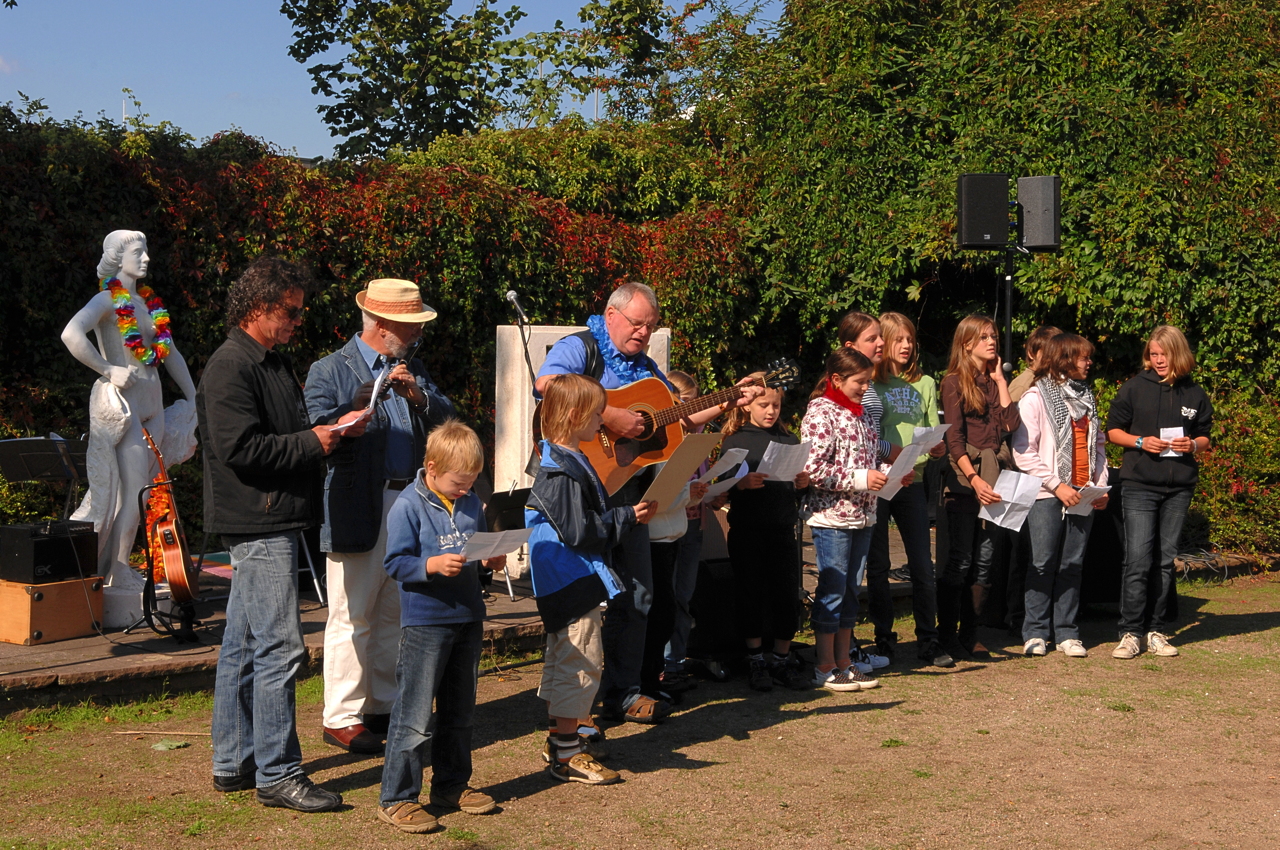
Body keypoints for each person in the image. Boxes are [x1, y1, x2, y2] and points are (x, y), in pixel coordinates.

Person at [533, 282, 758, 723]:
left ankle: (625, 692)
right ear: (611, 315)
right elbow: (546, 384)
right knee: (579, 599)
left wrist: (728, 399)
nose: (643, 333)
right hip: (578, 486)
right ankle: (569, 708)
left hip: (631, 490)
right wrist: (608, 413)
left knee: (639, 595)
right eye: (637, 323)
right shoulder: (581, 347)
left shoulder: (647, 367)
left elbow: (674, 418)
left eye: (650, 326)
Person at [198, 257, 368, 812]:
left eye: (299, 310)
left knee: (243, 648)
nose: (299, 319)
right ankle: (278, 772)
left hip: (270, 516)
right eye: (290, 311)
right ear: (258, 308)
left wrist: (338, 427)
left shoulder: (270, 361)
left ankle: (234, 763)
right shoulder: (230, 366)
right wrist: (313, 444)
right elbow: (238, 449)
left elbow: (284, 433)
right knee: (279, 648)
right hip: (258, 520)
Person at [305, 278, 456, 755]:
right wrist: (358, 405)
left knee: (395, 608)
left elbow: (449, 420)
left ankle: (384, 704)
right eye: (410, 326)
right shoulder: (329, 369)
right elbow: (316, 429)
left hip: (408, 502)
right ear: (384, 324)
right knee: (352, 613)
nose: (416, 334)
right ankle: (342, 716)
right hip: (356, 503)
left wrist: (419, 397)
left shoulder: (412, 369)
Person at [526, 374, 657, 783]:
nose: (603, 419)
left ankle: (563, 743)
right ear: (572, 415)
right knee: (578, 664)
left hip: (570, 577)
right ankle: (568, 756)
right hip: (569, 579)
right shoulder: (560, 471)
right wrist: (627, 516)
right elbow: (578, 531)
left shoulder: (567, 456)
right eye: (596, 412)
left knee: (569, 661)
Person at [377, 420, 505, 834]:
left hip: (468, 615)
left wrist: (490, 561)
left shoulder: (470, 502)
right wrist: (430, 565)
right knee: (414, 715)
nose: (465, 490)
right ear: (431, 468)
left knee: (460, 711)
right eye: (457, 482)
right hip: (426, 622)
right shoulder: (407, 506)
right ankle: (397, 798)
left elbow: (477, 547)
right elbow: (394, 563)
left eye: (470, 483)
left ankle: (451, 784)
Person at [62, 230, 199, 587]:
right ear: (117, 257)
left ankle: (114, 568)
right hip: (127, 410)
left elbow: (170, 354)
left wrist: (192, 394)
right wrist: (108, 370)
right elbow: (71, 334)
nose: (146, 258)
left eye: (147, 251)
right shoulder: (107, 301)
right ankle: (119, 569)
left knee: (140, 492)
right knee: (135, 491)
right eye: (139, 252)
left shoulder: (150, 305)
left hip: (154, 406)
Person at [1105, 325, 1212, 660]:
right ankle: (1130, 632)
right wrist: (1140, 441)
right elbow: (1111, 431)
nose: (1158, 360)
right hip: (1139, 485)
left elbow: (1207, 436)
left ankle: (1156, 630)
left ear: (1177, 353)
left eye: (1164, 354)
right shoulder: (1134, 388)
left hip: (1179, 488)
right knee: (1137, 560)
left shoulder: (1194, 392)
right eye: (1153, 354)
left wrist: (1193, 444)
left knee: (1165, 562)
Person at [1012, 333, 1110, 658]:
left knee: (1073, 563)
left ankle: (1067, 632)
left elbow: (1098, 447)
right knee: (1042, 562)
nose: (1089, 362)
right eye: (1084, 357)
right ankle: (1036, 632)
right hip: (1046, 494)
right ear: (1066, 359)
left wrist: (1101, 484)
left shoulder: (1087, 397)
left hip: (1083, 492)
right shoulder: (1035, 398)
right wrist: (1057, 484)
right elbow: (1023, 452)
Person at [867, 312, 952, 668]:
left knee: (921, 562)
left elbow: (933, 432)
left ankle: (928, 640)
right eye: (898, 339)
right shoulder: (871, 384)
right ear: (883, 342)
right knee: (878, 565)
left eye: (910, 339)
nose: (906, 346)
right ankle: (883, 639)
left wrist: (938, 447)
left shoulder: (926, 383)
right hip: (879, 481)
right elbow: (868, 434)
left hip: (912, 482)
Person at [938, 315, 1021, 660]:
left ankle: (971, 635)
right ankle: (946, 637)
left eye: (994, 337)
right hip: (965, 481)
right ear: (967, 343)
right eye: (984, 337)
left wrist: (1001, 380)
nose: (992, 342)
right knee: (960, 560)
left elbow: (1011, 423)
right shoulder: (953, 381)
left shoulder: (992, 381)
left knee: (985, 563)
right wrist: (973, 479)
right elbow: (953, 439)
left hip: (996, 476)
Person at [801, 348, 885, 692]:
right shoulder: (821, 412)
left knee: (851, 590)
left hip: (863, 515)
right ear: (836, 379)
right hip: (832, 517)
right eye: (859, 381)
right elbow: (812, 469)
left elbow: (869, 456)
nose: (865, 388)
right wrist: (861, 479)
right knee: (832, 590)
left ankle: (844, 661)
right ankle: (824, 665)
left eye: (868, 382)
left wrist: (890, 474)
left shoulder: (862, 412)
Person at [721, 375, 811, 691]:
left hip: (783, 530)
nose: (770, 411)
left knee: (786, 595)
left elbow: (795, 491)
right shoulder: (735, 440)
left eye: (775, 405)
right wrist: (740, 484)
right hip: (747, 530)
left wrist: (803, 485)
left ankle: (782, 659)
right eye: (763, 405)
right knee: (750, 594)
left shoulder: (788, 439)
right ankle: (756, 659)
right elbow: (721, 489)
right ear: (748, 407)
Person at [836, 311, 895, 668]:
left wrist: (892, 461)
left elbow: (870, 439)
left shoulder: (869, 386)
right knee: (839, 582)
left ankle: (850, 650)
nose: (881, 343)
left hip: (867, 497)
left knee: (854, 579)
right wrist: (867, 472)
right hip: (841, 502)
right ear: (849, 346)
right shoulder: (836, 393)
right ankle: (839, 656)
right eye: (872, 338)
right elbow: (836, 449)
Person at [661, 371, 710, 693]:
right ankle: (662, 665)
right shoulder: (665, 436)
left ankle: (676, 661)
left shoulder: (700, 434)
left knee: (685, 596)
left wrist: (711, 493)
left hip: (694, 523)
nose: (692, 414)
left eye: (694, 405)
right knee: (668, 597)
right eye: (685, 405)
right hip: (667, 525)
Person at [1008, 326, 1063, 403]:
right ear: (1031, 354)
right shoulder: (1022, 386)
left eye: (1058, 353)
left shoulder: (1057, 380)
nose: (1054, 358)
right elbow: (1010, 414)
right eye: (1047, 353)